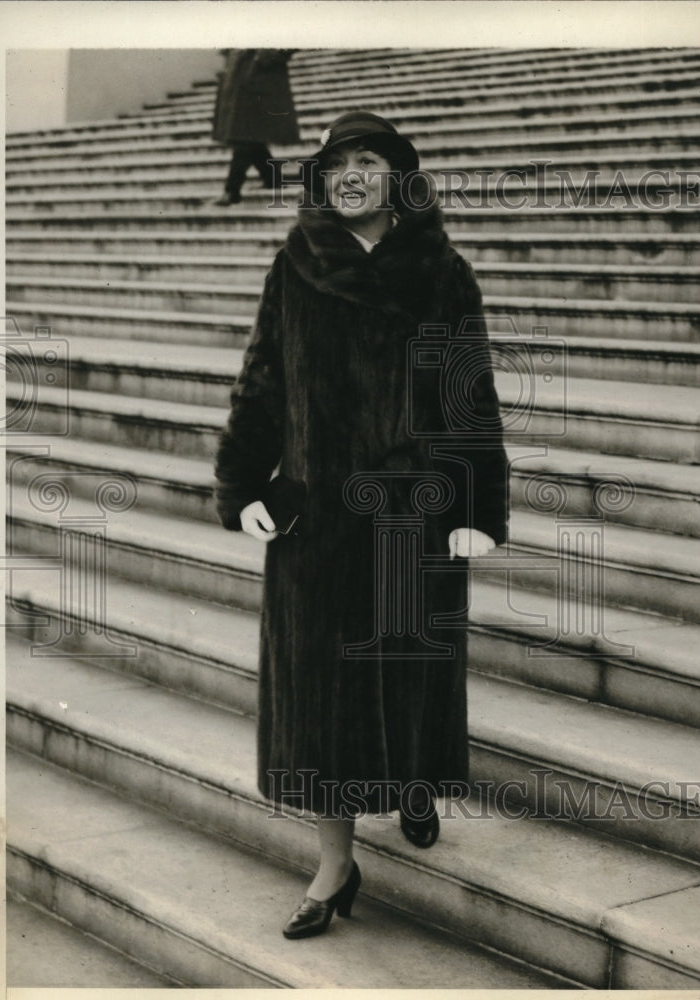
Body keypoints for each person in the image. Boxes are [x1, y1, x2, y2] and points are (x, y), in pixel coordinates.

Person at [213, 110, 509, 939]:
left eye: (369, 161)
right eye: (337, 162)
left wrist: (479, 506)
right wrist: (244, 485)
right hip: (321, 521)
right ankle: (335, 862)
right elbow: (261, 383)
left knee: (411, 674)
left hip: (415, 514)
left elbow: (469, 396)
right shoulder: (295, 267)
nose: (350, 175)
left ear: (399, 179)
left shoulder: (443, 272)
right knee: (322, 700)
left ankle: (413, 788)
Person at [211, 48, 299, 205]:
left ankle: (232, 190)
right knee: (249, 137)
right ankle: (273, 179)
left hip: (261, 80)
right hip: (240, 77)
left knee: (244, 136)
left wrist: (266, 55)